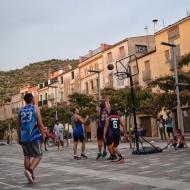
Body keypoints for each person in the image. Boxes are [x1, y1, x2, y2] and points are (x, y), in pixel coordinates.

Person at [16, 93, 45, 184]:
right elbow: (40, 123)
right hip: (33, 135)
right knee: (38, 155)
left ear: (25, 101)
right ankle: (30, 171)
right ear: (32, 99)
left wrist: (19, 137)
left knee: (27, 156)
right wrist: (43, 134)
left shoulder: (20, 110)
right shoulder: (35, 108)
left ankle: (30, 176)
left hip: (24, 136)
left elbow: (17, 126)